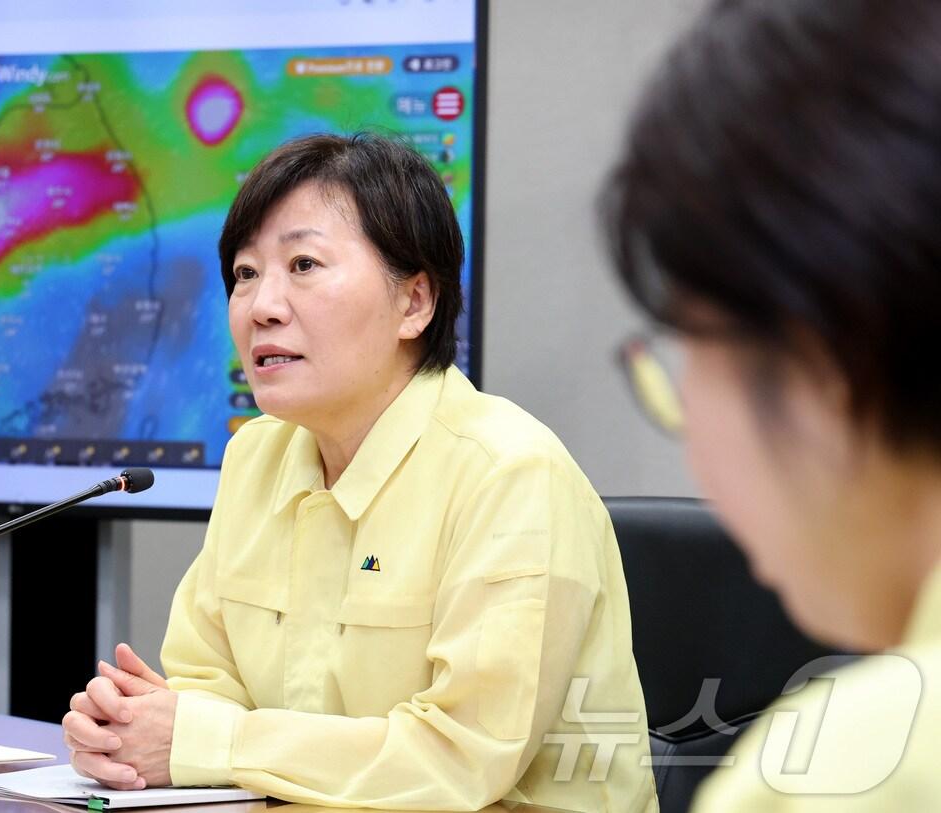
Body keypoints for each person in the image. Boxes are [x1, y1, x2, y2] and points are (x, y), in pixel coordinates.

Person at [63, 133, 658, 811]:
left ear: (415, 303)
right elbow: (207, 687)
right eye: (246, 273)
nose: (262, 306)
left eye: (304, 264)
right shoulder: (257, 456)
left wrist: (207, 740)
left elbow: (459, 760)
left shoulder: (510, 474)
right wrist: (134, 731)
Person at [600, 0, 941, 808]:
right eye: (245, 271)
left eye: (688, 361)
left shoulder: (849, 769)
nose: (263, 307)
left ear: (821, 361)